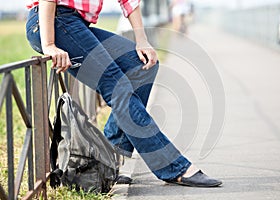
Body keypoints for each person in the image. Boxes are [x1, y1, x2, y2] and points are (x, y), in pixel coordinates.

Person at [25, 0, 222, 187]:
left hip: (77, 24)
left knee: (142, 65)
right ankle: (173, 167)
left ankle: (108, 158)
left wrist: (142, 40)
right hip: (54, 21)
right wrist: (49, 43)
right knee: (118, 88)